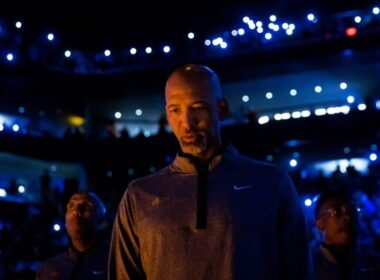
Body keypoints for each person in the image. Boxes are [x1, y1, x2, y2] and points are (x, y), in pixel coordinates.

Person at [109, 64, 314, 279]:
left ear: (222, 109)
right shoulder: (139, 195)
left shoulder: (270, 182)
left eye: (198, 107)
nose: (187, 122)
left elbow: (298, 271)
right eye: (175, 110)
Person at [36, 192, 109, 280]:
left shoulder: (114, 262)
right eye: (71, 206)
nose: (75, 211)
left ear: (101, 220)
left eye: (86, 206)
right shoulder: (49, 269)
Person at [312, 189, 377, 279]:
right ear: (320, 224)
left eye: (352, 211)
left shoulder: (372, 264)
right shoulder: (307, 268)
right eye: (336, 212)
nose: (347, 217)